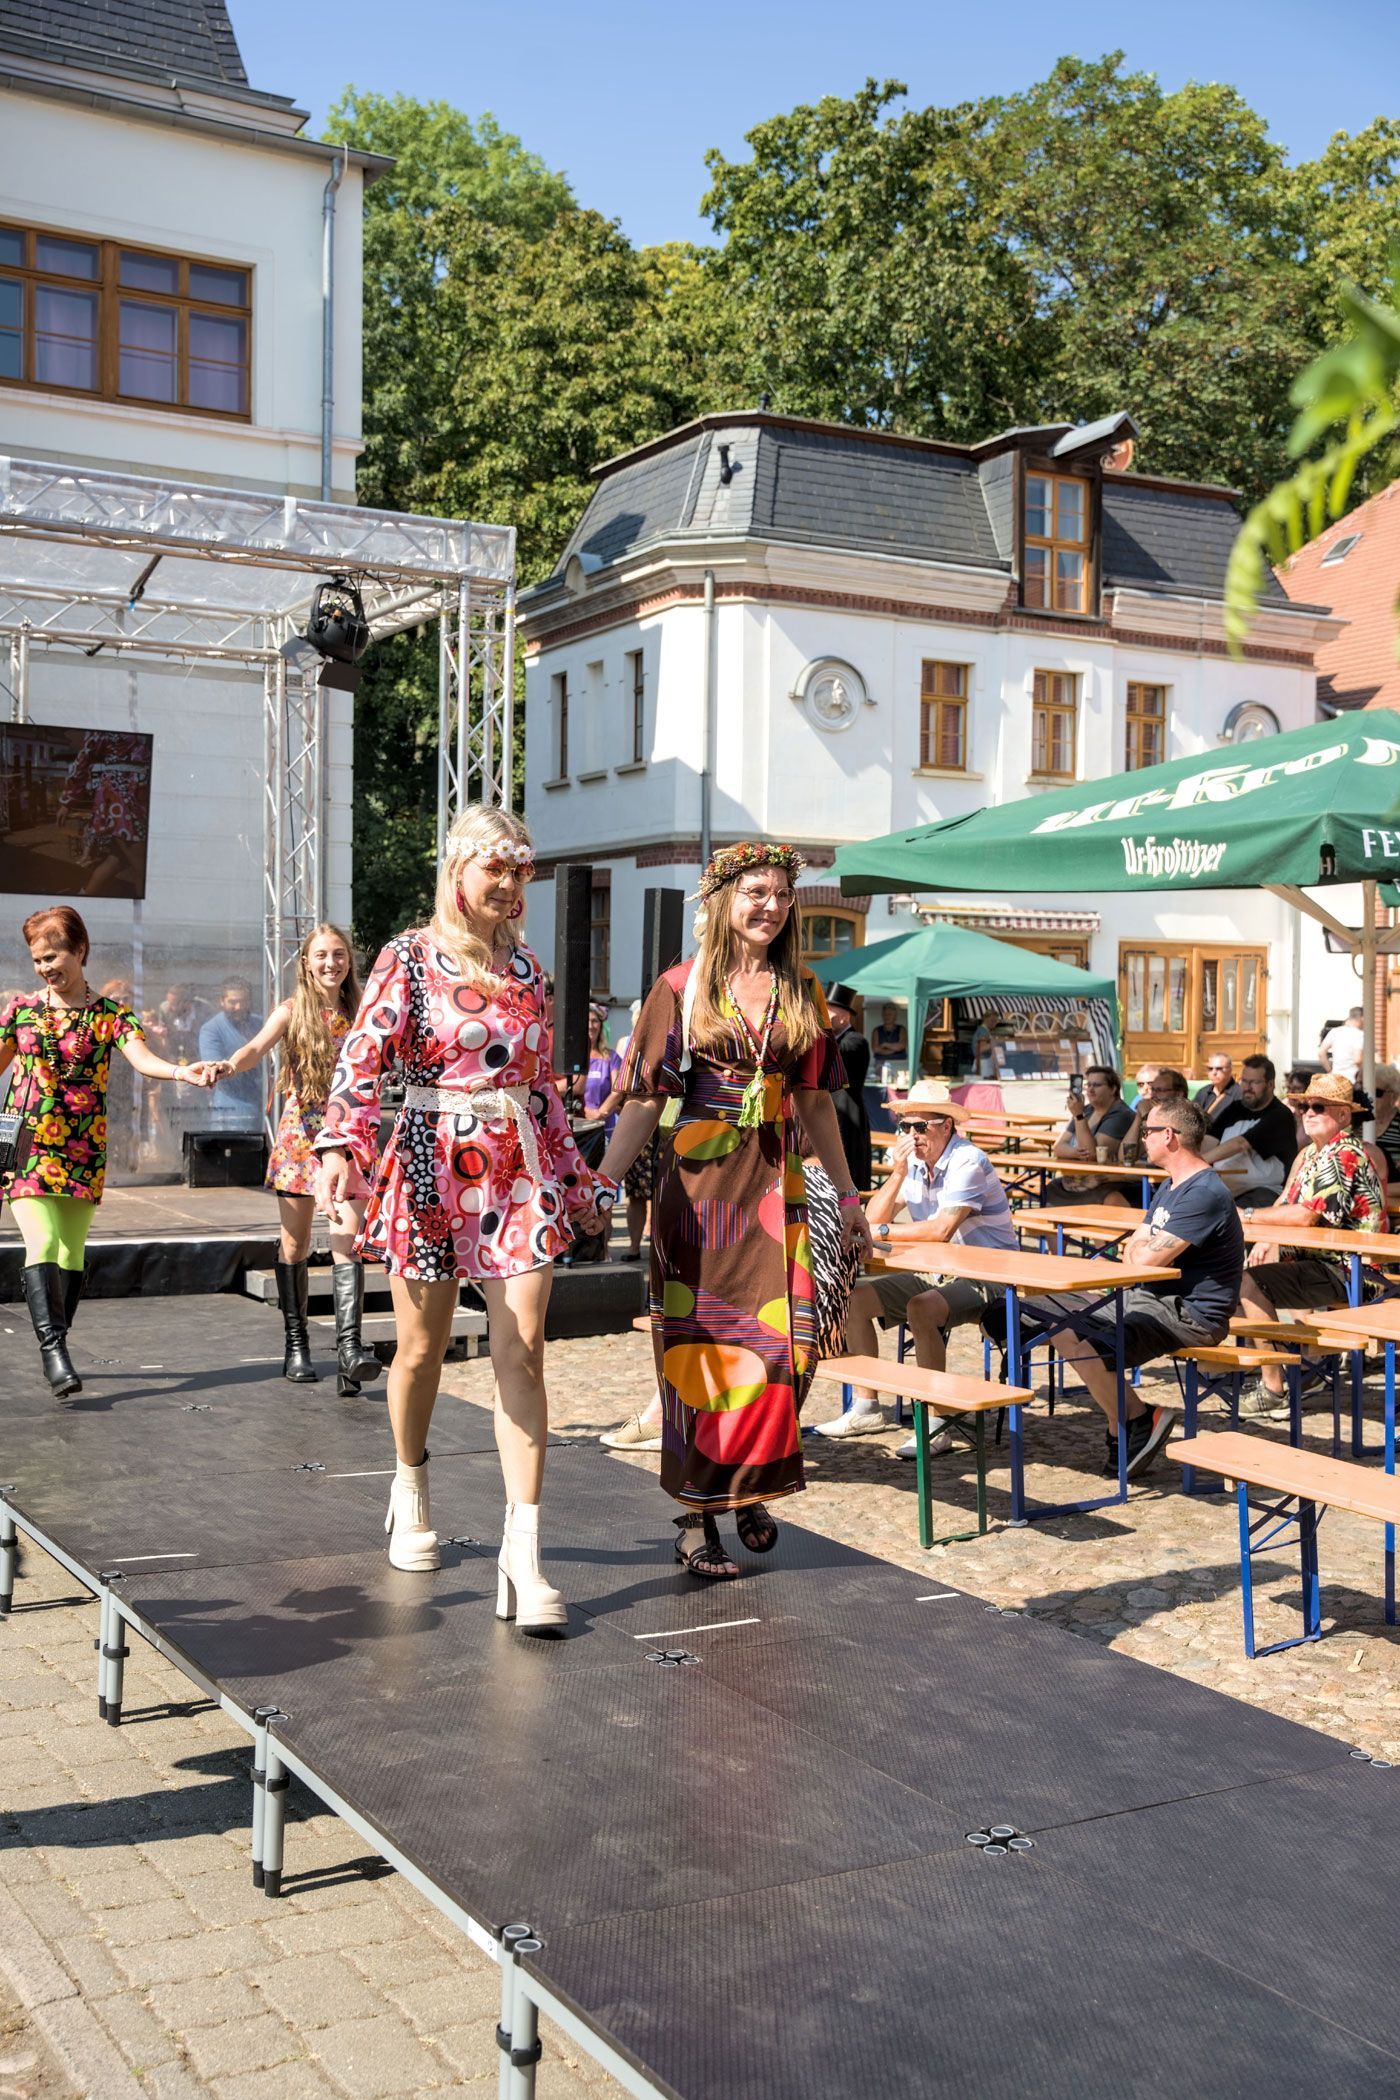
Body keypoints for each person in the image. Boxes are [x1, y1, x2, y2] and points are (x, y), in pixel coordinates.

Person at [313, 807, 603, 1623]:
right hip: (429, 1164)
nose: (509, 885)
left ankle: (524, 1557)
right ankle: (409, 1483)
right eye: (495, 869)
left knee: (525, 1350)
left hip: (516, 1171)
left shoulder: (530, 968)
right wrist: (339, 1150)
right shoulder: (407, 957)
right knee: (420, 1349)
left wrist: (576, 1181)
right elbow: (361, 1061)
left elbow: (541, 1087)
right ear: (458, 871)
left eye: (520, 872)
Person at [596, 840, 871, 1579]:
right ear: (722, 900)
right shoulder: (680, 986)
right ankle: (697, 1519)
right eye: (756, 892)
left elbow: (816, 1100)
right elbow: (644, 1098)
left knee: (793, 1345)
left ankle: (747, 1480)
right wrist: (603, 1183)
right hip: (698, 1189)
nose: (771, 906)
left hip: (777, 1185)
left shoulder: (801, 988)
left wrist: (849, 1195)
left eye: (782, 894)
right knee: (701, 1354)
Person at [0, 906, 217, 1395]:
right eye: (37, 959)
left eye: (53, 956)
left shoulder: (110, 1015)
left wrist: (181, 1072)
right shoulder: (20, 1010)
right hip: (26, 1145)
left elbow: (144, 1059)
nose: (44, 967)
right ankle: (54, 1353)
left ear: (80, 951)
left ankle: (58, 1339)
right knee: (42, 1242)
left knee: (71, 1252)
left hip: (82, 1146)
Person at [1014, 1096, 1244, 1478]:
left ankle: (1131, 1425)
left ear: (1168, 1135)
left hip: (1192, 1314)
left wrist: (1140, 1251)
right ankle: (1134, 1418)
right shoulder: (1172, 1186)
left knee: (1087, 1342)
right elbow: (1134, 1251)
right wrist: (1140, 1251)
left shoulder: (1204, 1192)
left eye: (1148, 1131)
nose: (1141, 1140)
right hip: (1153, 1298)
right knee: (1060, 1323)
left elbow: (1142, 1259)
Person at [215, 924, 380, 1395]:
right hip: (301, 1137)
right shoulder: (291, 1011)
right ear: (306, 963)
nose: (332, 963)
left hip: (349, 1138)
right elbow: (255, 1048)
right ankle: (296, 1343)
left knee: (347, 1240)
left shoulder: (365, 1011)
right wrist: (229, 1064)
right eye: (322, 955)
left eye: (339, 954)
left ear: (349, 961)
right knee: (296, 1244)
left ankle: (349, 1351)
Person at [818, 1081, 1015, 1455]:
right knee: (854, 1300)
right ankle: (866, 1407)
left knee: (922, 1307)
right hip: (940, 1270)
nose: (911, 1135)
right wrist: (896, 1173)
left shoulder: (968, 1161)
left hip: (992, 1273)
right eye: (904, 1126)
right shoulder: (915, 1164)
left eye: (919, 1126)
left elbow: (941, 1230)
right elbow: (872, 1218)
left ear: (946, 1126)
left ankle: (937, 1424)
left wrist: (882, 1232)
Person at [1237, 1072, 1386, 1411]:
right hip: (1315, 1264)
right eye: (1305, 1106)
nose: (1308, 1113)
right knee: (1228, 1285)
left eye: (1319, 1107)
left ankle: (1275, 1385)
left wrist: (1247, 1215)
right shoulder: (1309, 1155)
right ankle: (1292, 1366)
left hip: (1353, 1272)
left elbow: (1306, 1216)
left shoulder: (1345, 1153)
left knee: (1247, 1284)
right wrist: (1263, 1236)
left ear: (1344, 1115)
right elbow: (1284, 1204)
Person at [1200, 1055, 1300, 1208]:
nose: (1247, 1087)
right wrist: (1195, 1159)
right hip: (1225, 1190)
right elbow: (1210, 1140)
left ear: (1270, 1084)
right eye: (1244, 1081)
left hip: (1265, 1192)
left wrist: (1201, 1161)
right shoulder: (1234, 1109)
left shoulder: (1280, 1115)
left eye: (1254, 1082)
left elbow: (1241, 1143)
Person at [1040, 1065, 1135, 1205]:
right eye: (1088, 1085)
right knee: (1048, 1190)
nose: (1090, 1089)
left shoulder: (1120, 1114)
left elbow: (1092, 1155)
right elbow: (1058, 1147)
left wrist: (1079, 1116)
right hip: (1076, 1181)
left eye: (1096, 1085)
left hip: (1106, 1184)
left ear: (1113, 1089)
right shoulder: (1087, 1110)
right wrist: (1076, 1152)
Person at [824, 982, 872, 1193]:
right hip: (831, 1111)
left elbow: (838, 1055)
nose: (824, 1015)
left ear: (844, 1017)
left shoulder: (855, 1041)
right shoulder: (835, 1039)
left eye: (829, 1011)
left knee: (848, 1170)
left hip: (847, 1115)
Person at [199, 978, 264, 1131]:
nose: (238, 1007)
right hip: (231, 1110)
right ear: (222, 1001)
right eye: (233, 1002)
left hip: (262, 1106)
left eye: (243, 1001)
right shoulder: (211, 1029)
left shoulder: (260, 1024)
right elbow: (214, 1068)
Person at [1193, 1053, 1241, 1136]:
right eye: (1210, 1069)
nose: (1214, 1072)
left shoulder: (1239, 1094)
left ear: (1230, 1070)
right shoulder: (1204, 1091)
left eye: (1219, 1069)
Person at [1320, 1007, 1365, 1083]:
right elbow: (1357, 1060)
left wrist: (1330, 1071)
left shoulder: (1334, 1031)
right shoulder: (1360, 1035)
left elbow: (1321, 1053)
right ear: (1362, 1018)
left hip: (1336, 1079)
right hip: (1353, 1079)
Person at [1373, 1063, 1400, 1181]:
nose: (1370, 1097)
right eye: (1366, 1091)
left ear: (1393, 1095)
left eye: (1377, 1092)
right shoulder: (1357, 1122)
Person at [871, 1002, 908, 1069]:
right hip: (881, 1061)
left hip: (899, 1061)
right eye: (885, 1014)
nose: (887, 1016)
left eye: (890, 1014)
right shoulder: (876, 1030)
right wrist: (894, 1050)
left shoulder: (901, 1029)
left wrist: (885, 1045)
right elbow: (875, 1049)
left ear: (895, 1016)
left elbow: (902, 1045)